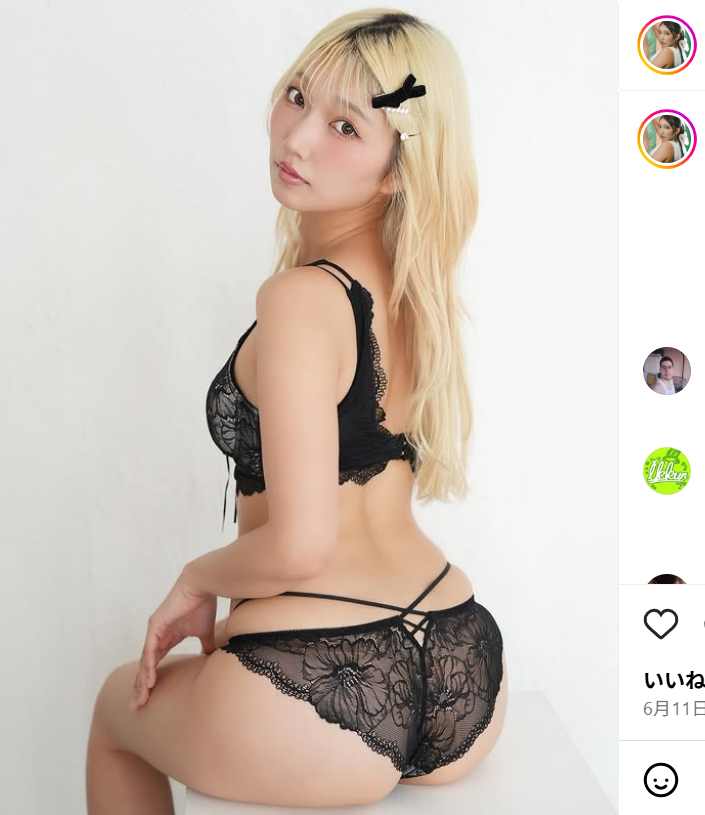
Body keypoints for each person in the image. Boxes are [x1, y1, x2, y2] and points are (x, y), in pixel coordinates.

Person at [86, 9, 507, 810]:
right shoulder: (418, 294)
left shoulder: (301, 298)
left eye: (345, 126)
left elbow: (300, 546)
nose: (298, 138)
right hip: (461, 661)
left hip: (312, 678)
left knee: (113, 710)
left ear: (398, 169)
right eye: (296, 96)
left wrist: (194, 577)